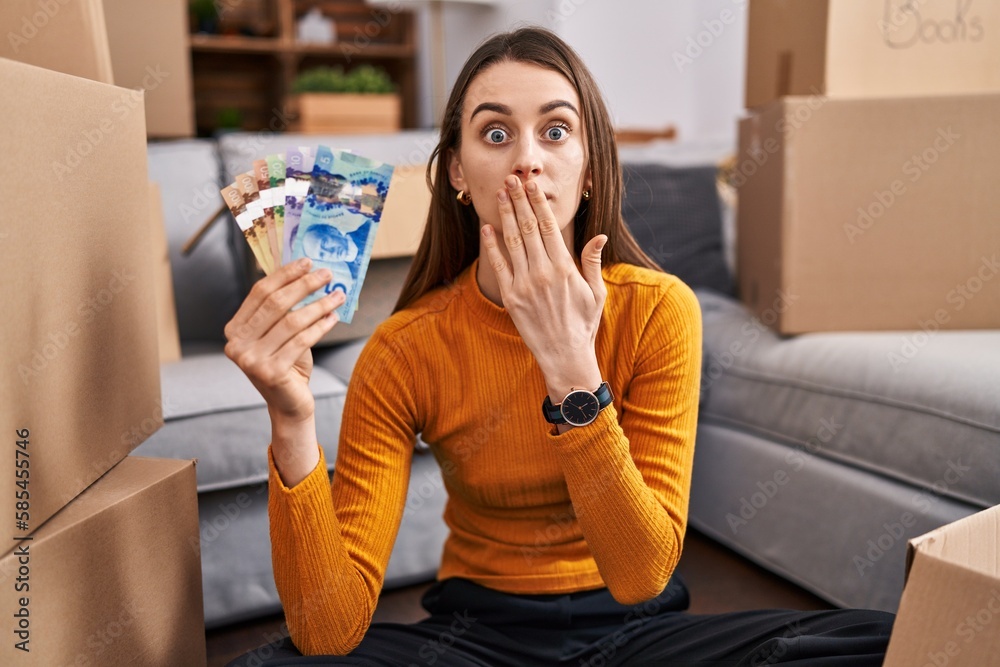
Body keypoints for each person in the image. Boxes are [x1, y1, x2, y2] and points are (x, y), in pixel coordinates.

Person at [223, 26, 893, 667]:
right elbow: (326, 631)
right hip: (475, 636)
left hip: (634, 632)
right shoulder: (404, 349)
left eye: (555, 130)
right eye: (494, 133)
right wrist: (291, 418)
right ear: (457, 172)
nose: (526, 159)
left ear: (591, 168)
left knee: (879, 641)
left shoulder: (659, 309)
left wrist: (571, 367)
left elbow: (640, 576)